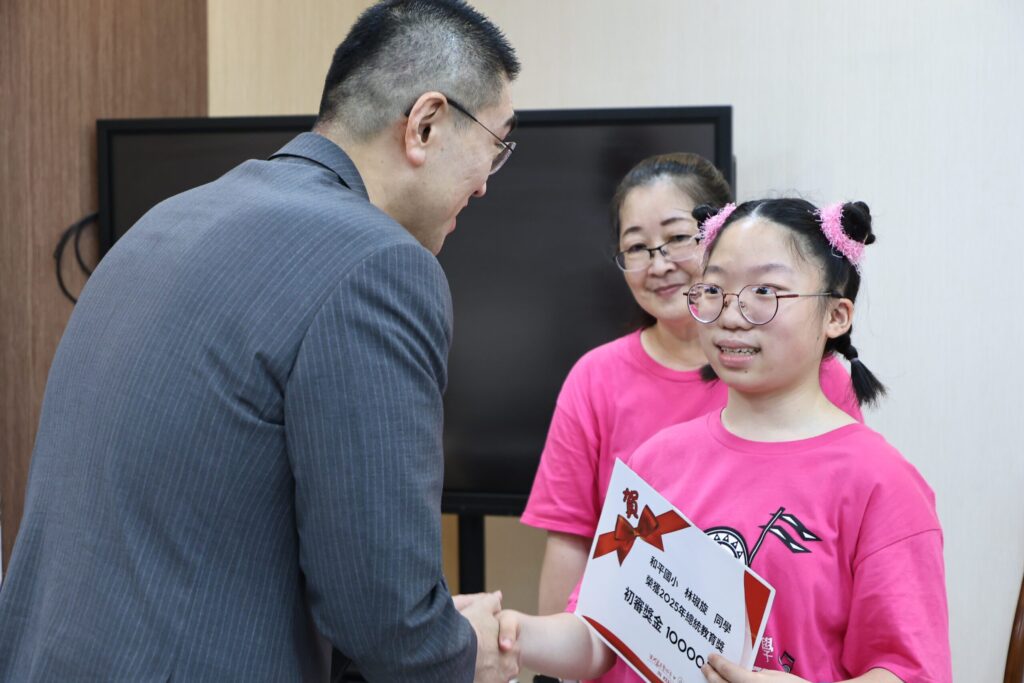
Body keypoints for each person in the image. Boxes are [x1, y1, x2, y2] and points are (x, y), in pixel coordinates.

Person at [0, 1, 520, 681]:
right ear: (425, 124)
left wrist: (429, 626)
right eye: (495, 147)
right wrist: (463, 648)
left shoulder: (167, 219)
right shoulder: (378, 263)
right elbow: (384, 619)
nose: (484, 185)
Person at [500, 199, 952, 682]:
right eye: (714, 289)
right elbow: (599, 636)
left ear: (836, 316)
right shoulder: (655, 460)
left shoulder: (882, 485)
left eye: (764, 291)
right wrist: (510, 636)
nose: (731, 315)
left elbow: (911, 672)